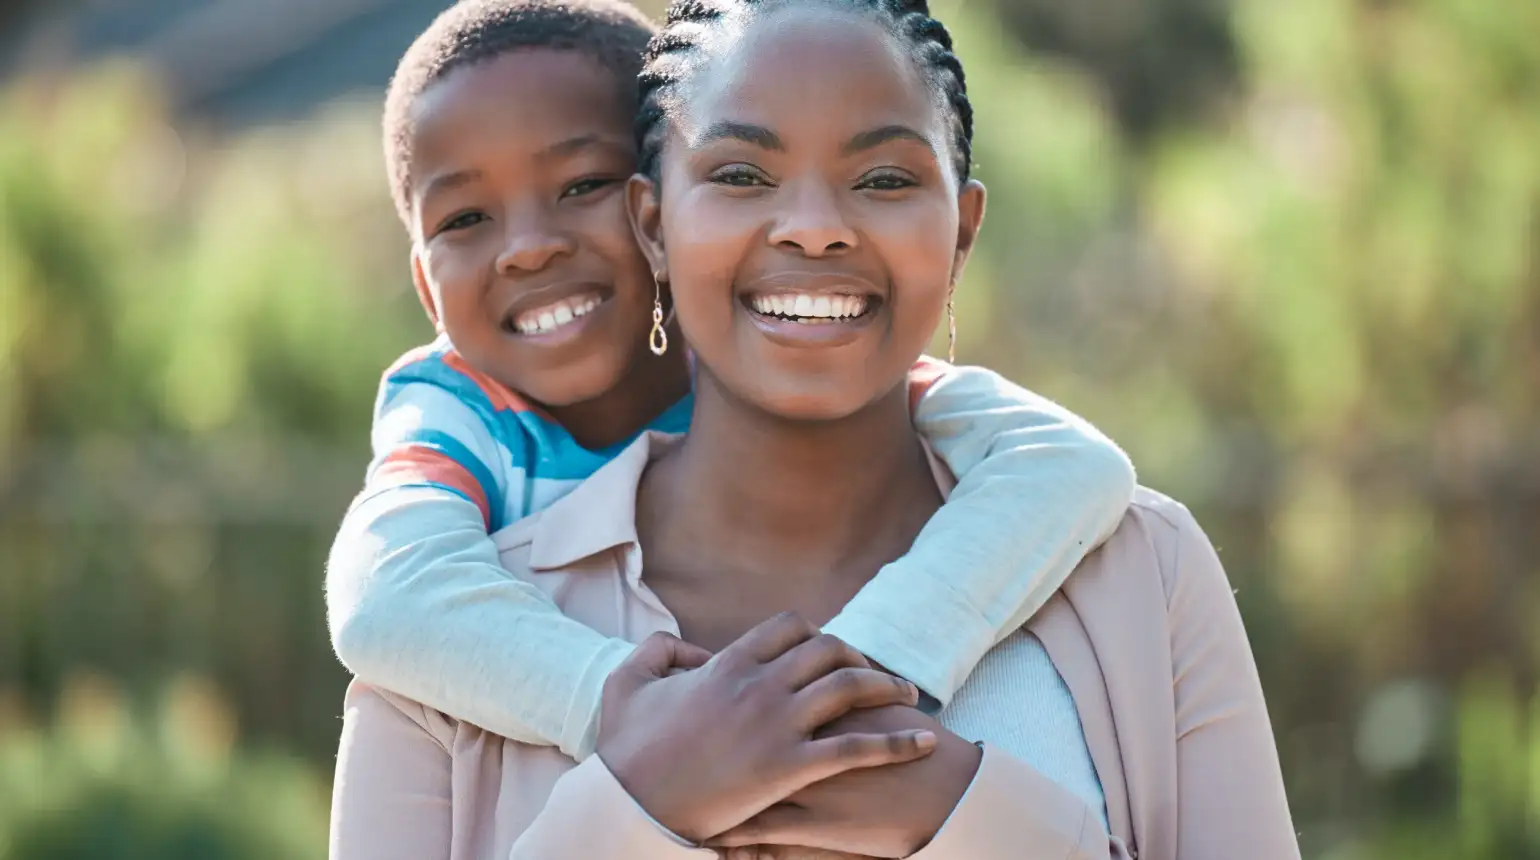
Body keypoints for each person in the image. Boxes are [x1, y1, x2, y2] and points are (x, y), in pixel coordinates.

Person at [328, 0, 1302, 856]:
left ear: (959, 232)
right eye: (742, 174)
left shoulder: (1142, 570)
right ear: (653, 223)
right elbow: (381, 591)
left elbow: (1075, 462)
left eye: (882, 179)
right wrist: (640, 802)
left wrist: (957, 809)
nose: (812, 227)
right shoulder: (454, 647)